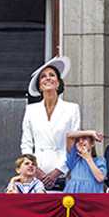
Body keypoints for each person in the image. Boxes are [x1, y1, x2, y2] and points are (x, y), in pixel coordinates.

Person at [19, 57, 80, 191]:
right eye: (43, 77)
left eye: (52, 75)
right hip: (36, 172)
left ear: (58, 83)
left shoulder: (72, 109)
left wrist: (58, 171)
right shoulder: (31, 110)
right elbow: (26, 143)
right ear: (40, 86)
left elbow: (74, 144)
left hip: (63, 171)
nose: (48, 78)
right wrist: (35, 169)